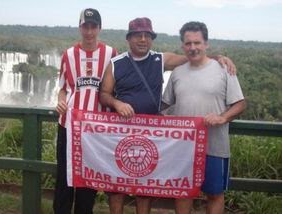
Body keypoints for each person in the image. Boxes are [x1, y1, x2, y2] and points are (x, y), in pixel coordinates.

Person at [99, 17, 236, 214]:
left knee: (144, 185)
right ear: (129, 38)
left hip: (151, 135)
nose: (143, 39)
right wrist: (116, 103)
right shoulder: (116, 63)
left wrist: (220, 57)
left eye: (147, 35)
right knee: (115, 188)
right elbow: (104, 95)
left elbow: (194, 56)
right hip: (121, 133)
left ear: (152, 39)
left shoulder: (160, 59)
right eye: (138, 35)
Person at [162, 21, 246, 214]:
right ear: (183, 46)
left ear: (206, 44)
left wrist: (223, 118)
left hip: (214, 146)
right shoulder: (177, 73)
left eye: (197, 43)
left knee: (214, 194)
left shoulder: (224, 69)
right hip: (183, 147)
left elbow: (240, 104)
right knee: (183, 193)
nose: (193, 48)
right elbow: (164, 104)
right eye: (188, 43)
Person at [54, 8, 117, 214]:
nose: (89, 32)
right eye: (85, 26)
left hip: (95, 129)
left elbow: (115, 88)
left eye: (93, 27)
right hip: (68, 125)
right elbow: (62, 89)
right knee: (64, 176)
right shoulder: (69, 55)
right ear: (80, 27)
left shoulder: (110, 53)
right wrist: (60, 102)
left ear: (99, 28)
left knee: (88, 178)